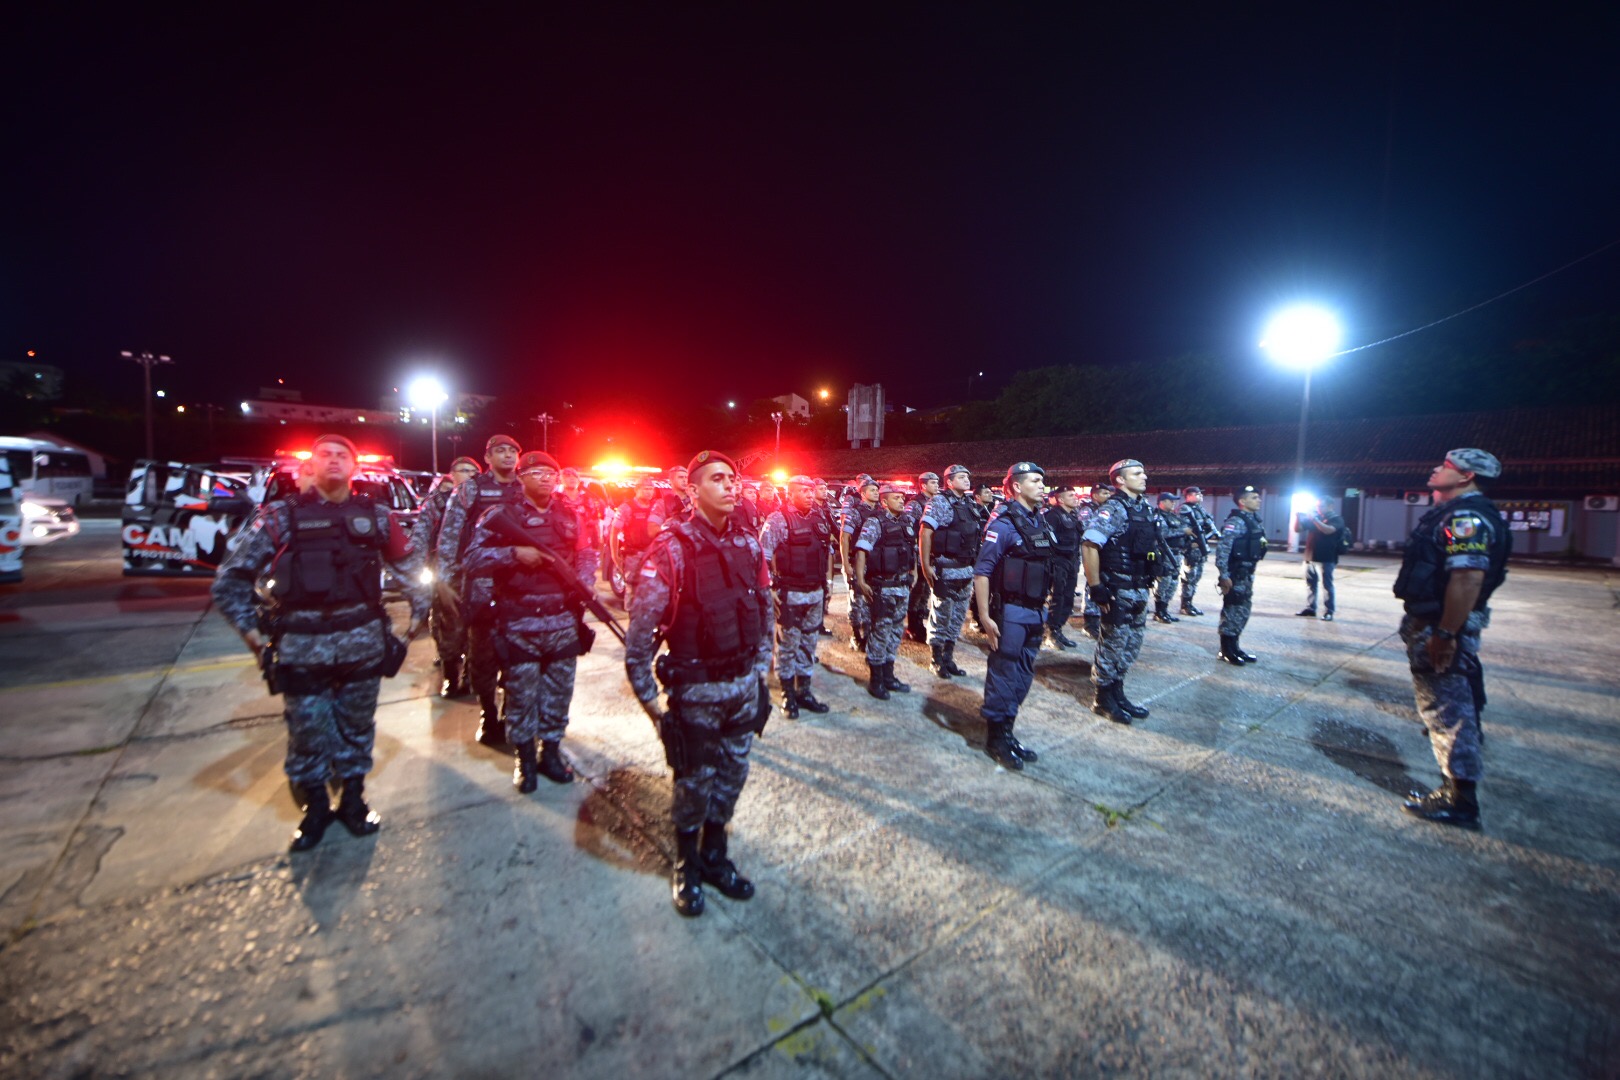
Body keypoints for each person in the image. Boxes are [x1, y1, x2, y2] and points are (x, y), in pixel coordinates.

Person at [212, 434, 428, 852]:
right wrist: (254, 638)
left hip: (362, 644)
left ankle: (353, 801)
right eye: (324, 454)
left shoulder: (378, 516)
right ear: (309, 466)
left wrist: (411, 628)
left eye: (341, 454)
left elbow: (414, 573)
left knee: (357, 728)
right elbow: (231, 581)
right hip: (302, 645)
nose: (333, 459)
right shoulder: (280, 516)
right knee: (307, 731)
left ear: (355, 467)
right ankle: (314, 809)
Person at [625, 451, 773, 918]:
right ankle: (686, 865)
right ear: (692, 490)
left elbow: (766, 613)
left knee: (732, 780)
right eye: (717, 479)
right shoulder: (671, 548)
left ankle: (715, 855)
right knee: (693, 785)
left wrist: (761, 675)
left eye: (734, 478)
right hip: (695, 697)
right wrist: (655, 707)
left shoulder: (749, 544)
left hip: (742, 688)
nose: (731, 486)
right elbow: (641, 636)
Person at [458, 450, 595, 791]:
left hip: (562, 620)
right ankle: (524, 757)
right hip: (520, 622)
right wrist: (513, 554)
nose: (547, 477)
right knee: (520, 694)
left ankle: (551, 751)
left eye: (552, 472)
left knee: (558, 693)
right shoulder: (501, 515)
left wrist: (583, 584)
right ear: (521, 478)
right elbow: (471, 559)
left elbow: (587, 553)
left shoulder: (569, 514)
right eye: (538, 472)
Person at [1394, 449, 1510, 827]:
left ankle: (1459, 799)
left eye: (1444, 467)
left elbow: (1467, 578)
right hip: (1437, 623)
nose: (1435, 469)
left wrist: (1445, 633)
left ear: (1464, 477)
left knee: (1446, 711)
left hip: (1442, 627)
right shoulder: (1457, 512)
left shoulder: (1466, 517)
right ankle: (1455, 789)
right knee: (1452, 707)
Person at [436, 434, 525, 747]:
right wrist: (445, 581)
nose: (507, 456)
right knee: (482, 656)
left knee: (519, 656)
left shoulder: (526, 487)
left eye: (512, 451)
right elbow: (449, 537)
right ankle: (489, 712)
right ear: (487, 458)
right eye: (499, 451)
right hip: (480, 584)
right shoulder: (469, 490)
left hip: (519, 586)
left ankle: (513, 712)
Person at [972, 462, 1052, 770]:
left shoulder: (1038, 522)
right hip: (1011, 611)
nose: (1042, 485)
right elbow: (982, 572)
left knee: (1023, 675)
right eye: (1035, 480)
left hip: (1035, 610)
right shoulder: (1003, 524)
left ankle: (1008, 730)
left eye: (1042, 480)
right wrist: (984, 616)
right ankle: (996, 738)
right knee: (1004, 672)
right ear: (1017, 486)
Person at [1081, 460, 1159, 725]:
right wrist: (1096, 588)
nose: (1144, 476)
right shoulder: (1113, 509)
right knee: (1113, 644)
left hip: (1139, 588)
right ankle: (1102, 698)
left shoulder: (1144, 508)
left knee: (1131, 645)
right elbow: (1090, 545)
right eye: (1137, 473)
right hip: (1118, 588)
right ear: (1121, 481)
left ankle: (1118, 692)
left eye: (1143, 471)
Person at [760, 475, 832, 718]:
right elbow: (763, 557)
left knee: (809, 644)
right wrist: (769, 589)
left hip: (815, 593)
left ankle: (804, 691)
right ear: (790, 494)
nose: (810, 495)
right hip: (790, 594)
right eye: (803, 491)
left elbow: (826, 553)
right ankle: (787, 695)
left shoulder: (818, 518)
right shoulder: (778, 520)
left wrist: (827, 583)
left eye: (811, 491)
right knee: (788, 646)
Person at [410, 456, 481, 696]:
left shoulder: (480, 501)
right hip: (446, 573)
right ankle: (451, 674)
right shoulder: (437, 502)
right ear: (451, 474)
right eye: (464, 470)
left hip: (476, 575)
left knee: (478, 629)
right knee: (449, 627)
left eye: (474, 471)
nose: (469, 475)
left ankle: (471, 674)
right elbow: (421, 535)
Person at [854, 483, 916, 699]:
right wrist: (861, 580)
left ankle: (889, 676)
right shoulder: (875, 522)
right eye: (897, 497)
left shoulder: (907, 521)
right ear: (884, 501)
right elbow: (862, 550)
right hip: (883, 587)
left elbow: (911, 549)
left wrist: (914, 571)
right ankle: (876, 679)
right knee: (880, 631)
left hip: (902, 586)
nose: (901, 500)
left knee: (896, 631)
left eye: (902, 497)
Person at [919, 465, 979, 677]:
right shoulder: (940, 502)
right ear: (950, 482)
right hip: (946, 569)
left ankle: (948, 658)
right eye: (962, 477)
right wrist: (926, 565)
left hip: (966, 570)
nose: (967, 480)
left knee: (957, 619)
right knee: (941, 616)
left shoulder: (969, 503)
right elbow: (925, 533)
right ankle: (936, 660)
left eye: (967, 476)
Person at [1216, 485, 1267, 665]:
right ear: (1242, 502)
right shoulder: (1236, 522)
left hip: (1247, 574)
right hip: (1235, 574)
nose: (1258, 500)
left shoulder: (1254, 520)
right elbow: (1223, 549)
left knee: (1242, 611)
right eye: (1254, 497)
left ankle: (1235, 647)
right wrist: (1223, 575)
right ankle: (1226, 650)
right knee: (1232, 610)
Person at [839, 477, 880, 652]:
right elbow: (844, 538)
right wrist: (846, 563)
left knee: (873, 599)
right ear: (862, 494)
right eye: (872, 490)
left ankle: (870, 634)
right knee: (857, 601)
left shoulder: (882, 511)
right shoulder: (855, 512)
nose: (876, 493)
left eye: (877, 490)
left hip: (876, 563)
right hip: (858, 562)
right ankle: (856, 634)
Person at [1041, 486, 1082, 648]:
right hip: (1059, 562)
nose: (1075, 497)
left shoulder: (1072, 516)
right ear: (1061, 500)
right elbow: (1048, 541)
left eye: (1075, 494)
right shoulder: (1053, 516)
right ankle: (1051, 633)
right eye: (1070, 495)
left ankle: (1058, 629)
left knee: (1068, 598)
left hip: (1071, 561)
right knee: (1057, 598)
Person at [904, 472, 941, 644]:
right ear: (924, 486)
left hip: (932, 554)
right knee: (917, 591)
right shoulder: (915, 504)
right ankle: (913, 626)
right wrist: (913, 560)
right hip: (918, 554)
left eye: (937, 482)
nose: (937, 486)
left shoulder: (936, 503)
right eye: (933, 483)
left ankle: (920, 622)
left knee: (926, 592)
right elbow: (909, 532)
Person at [1075, 481, 1114, 639]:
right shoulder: (1087, 510)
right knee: (1092, 582)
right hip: (1092, 550)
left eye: (1108, 493)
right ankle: (1090, 621)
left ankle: (1101, 618)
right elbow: (1086, 529)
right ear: (1095, 495)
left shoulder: (1109, 510)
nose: (1108, 496)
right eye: (1104, 493)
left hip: (1105, 552)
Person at [1297, 496, 1346, 620]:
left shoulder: (1336, 519)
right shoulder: (1315, 518)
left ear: (1330, 506)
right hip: (1310, 555)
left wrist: (1314, 519)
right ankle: (1310, 608)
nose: (1318, 508)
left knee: (1327, 584)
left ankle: (1329, 611)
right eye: (1317, 506)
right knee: (1310, 583)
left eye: (1321, 506)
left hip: (1327, 556)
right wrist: (1298, 517)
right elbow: (1297, 529)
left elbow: (1328, 530)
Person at [610, 474, 658, 596]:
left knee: (651, 590)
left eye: (651, 489)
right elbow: (614, 532)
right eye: (645, 489)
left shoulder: (656, 507)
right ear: (637, 489)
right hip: (634, 556)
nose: (649, 492)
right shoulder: (626, 508)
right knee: (633, 591)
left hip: (652, 556)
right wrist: (615, 556)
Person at [558, 467, 605, 590]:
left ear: (579, 480)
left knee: (586, 586)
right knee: (564, 583)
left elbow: (596, 521)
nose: (571, 479)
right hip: (563, 548)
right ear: (561, 479)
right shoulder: (555, 499)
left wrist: (598, 542)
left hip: (586, 549)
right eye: (567, 476)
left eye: (574, 476)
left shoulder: (589, 500)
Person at [1177, 486, 1220, 616]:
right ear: (1189, 496)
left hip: (1200, 547)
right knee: (1189, 577)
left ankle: (1190, 603)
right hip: (1191, 547)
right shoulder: (1184, 509)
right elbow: (1183, 528)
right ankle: (1185, 605)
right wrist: (1192, 542)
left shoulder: (1199, 509)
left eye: (1201, 494)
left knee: (1196, 577)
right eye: (1198, 494)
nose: (1201, 496)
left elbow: (1208, 523)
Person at [1152, 492, 1191, 624]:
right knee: (1164, 582)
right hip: (1165, 554)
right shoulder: (1158, 517)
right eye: (1170, 500)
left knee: (1174, 582)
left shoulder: (1173, 516)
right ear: (1162, 502)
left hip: (1176, 554)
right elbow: (1162, 534)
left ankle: (1165, 610)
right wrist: (1182, 531)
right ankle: (1159, 612)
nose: (1174, 503)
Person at [812, 478, 837, 635]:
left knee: (824, 585)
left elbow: (834, 526)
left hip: (825, 550)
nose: (824, 491)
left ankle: (819, 622)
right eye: (821, 488)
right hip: (812, 552)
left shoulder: (827, 507)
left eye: (825, 488)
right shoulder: (810, 507)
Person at [648, 464, 692, 533]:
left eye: (686, 477)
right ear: (671, 480)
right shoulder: (662, 503)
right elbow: (652, 530)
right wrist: (670, 528)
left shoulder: (695, 500)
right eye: (680, 477)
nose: (684, 480)